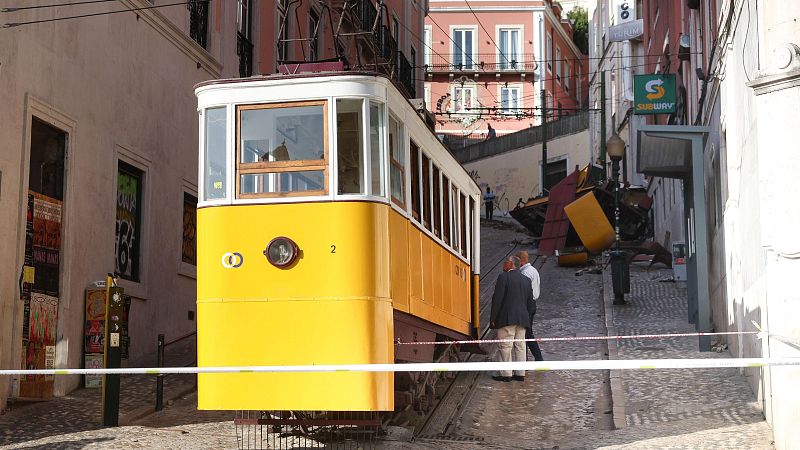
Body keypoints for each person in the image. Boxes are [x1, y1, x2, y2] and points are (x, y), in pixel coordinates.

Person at [490, 256, 536, 382]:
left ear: (511, 264)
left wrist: (493, 318)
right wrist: (528, 317)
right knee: (520, 345)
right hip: (522, 318)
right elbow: (530, 303)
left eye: (505, 262)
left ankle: (506, 373)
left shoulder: (503, 277)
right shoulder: (526, 280)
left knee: (506, 345)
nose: (503, 265)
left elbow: (497, 299)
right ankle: (520, 373)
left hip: (507, 317)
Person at [517, 251, 544, 362]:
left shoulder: (525, 273)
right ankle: (527, 358)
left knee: (527, 333)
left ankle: (538, 358)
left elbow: (523, 292)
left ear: (521, 260)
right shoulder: (532, 270)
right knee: (526, 333)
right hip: (532, 304)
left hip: (527, 305)